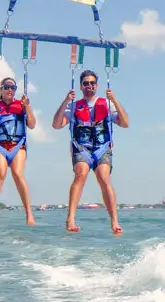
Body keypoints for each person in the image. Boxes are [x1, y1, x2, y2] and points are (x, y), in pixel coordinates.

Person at [51, 69, 129, 235]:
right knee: (81, 174)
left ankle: (114, 220)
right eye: (86, 83)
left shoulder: (107, 104)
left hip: (102, 148)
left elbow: (125, 123)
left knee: (104, 177)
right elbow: (56, 125)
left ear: (97, 85)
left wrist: (114, 99)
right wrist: (66, 100)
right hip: (82, 148)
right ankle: (70, 218)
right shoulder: (73, 106)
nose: (89, 86)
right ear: (81, 86)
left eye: (92, 83)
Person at [0, 77, 37, 227]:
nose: (10, 90)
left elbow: (32, 124)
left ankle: (29, 214)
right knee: (0, 174)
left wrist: (28, 107)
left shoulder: (21, 105)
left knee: (18, 174)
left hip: (17, 145)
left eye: (13, 87)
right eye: (6, 87)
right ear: (1, 89)